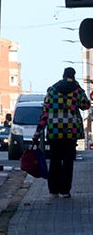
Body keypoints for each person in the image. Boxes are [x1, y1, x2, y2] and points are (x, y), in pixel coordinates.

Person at [33, 67, 90, 198]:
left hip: (54, 132)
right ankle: (65, 191)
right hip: (71, 132)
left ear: (63, 75)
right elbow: (86, 105)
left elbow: (45, 113)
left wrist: (38, 131)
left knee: (55, 160)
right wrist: (78, 90)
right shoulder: (77, 90)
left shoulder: (52, 90)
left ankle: (53, 190)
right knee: (68, 161)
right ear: (73, 76)